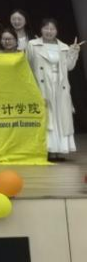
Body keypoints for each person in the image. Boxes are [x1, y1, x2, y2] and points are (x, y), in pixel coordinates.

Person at [26, 18, 80, 160]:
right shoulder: (33, 44)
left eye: (52, 29)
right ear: (41, 29)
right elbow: (28, 65)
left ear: (57, 31)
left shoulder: (64, 47)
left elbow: (69, 67)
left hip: (60, 85)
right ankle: (49, 150)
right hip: (42, 84)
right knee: (48, 117)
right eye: (46, 28)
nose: (49, 31)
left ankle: (59, 149)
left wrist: (73, 52)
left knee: (60, 117)